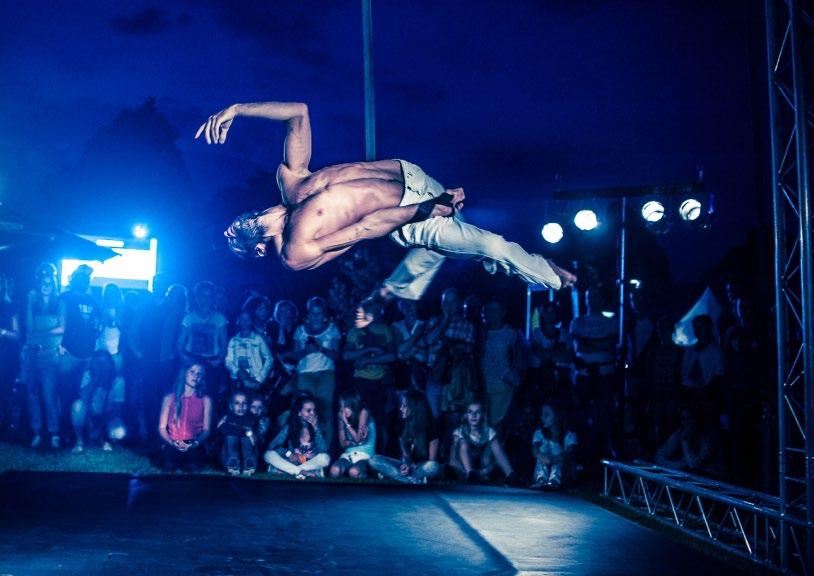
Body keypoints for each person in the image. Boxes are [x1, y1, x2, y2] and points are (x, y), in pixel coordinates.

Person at [196, 102, 576, 302]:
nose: (229, 228)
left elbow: (298, 113)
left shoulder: (291, 182)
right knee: (492, 245)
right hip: (412, 220)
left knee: (487, 251)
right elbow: (365, 229)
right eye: (232, 239)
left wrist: (236, 110)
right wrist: (427, 208)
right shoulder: (296, 249)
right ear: (258, 250)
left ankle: (509, 265)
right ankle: (553, 279)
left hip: (412, 175)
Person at [23, 263, 66, 448]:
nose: (46, 285)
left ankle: (54, 432)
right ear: (38, 284)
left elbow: (61, 328)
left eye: (50, 282)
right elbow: (29, 327)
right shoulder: (34, 304)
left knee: (49, 395)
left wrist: (39, 336)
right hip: (33, 356)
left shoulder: (60, 304)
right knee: (32, 394)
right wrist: (29, 304)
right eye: (43, 282)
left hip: (51, 357)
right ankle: (37, 431)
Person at [291, 297, 340, 447]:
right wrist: (306, 351)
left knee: (325, 411)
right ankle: (304, 448)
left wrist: (321, 348)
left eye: (319, 313)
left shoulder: (332, 329)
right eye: (312, 313)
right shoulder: (300, 330)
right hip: (305, 375)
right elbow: (295, 356)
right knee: (304, 411)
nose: (315, 316)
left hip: (325, 374)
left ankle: (325, 450)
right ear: (308, 314)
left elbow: (337, 356)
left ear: (324, 313)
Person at [368, 390, 441, 484]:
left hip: (422, 466)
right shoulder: (402, 425)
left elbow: (432, 460)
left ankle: (400, 478)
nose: (401, 409)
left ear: (415, 408)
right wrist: (407, 466)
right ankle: (411, 480)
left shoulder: (431, 426)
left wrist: (412, 468)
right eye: (401, 405)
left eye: (405, 406)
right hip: (409, 467)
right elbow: (406, 457)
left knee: (433, 466)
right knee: (374, 460)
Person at [156, 360, 213, 472]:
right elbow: (162, 428)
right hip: (173, 442)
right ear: (184, 373)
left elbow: (206, 430)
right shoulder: (169, 398)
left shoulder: (205, 400)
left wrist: (194, 443)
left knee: (193, 468)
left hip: (193, 443)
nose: (196, 376)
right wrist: (171, 442)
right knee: (168, 466)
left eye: (199, 374)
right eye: (192, 371)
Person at [448, 401, 516, 485]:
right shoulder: (459, 432)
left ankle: (510, 475)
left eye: (478, 412)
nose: (474, 415)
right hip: (464, 469)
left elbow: (497, 458)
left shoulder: (489, 431)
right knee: (463, 443)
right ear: (465, 415)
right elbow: (452, 461)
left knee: (495, 444)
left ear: (483, 415)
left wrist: (483, 472)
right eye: (470, 412)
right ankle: (470, 475)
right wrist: (466, 472)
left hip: (483, 468)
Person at [264, 393, 330, 478]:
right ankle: (301, 472)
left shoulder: (320, 426)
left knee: (325, 458)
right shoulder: (290, 426)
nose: (312, 413)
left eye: (314, 410)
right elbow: (272, 445)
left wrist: (316, 429)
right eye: (308, 410)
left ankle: (288, 471)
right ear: (299, 413)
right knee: (268, 454)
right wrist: (289, 454)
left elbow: (324, 450)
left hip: (310, 463)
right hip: (293, 461)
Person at [330, 389, 376, 479]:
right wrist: (353, 443)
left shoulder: (364, 411)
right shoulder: (341, 415)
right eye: (341, 406)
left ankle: (368, 475)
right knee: (334, 470)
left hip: (365, 455)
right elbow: (342, 444)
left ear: (353, 404)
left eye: (346, 406)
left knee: (354, 471)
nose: (342, 410)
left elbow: (357, 439)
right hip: (348, 455)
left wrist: (345, 422)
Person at [224, 310, 273, 393]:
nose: (245, 322)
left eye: (247, 319)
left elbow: (269, 359)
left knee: (254, 404)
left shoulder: (258, 339)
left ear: (251, 321)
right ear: (238, 321)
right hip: (237, 379)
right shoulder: (233, 340)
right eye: (242, 319)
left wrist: (260, 379)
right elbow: (228, 361)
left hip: (254, 378)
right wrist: (238, 371)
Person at [531, 403, 578, 489]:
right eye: (542, 414)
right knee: (543, 448)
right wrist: (542, 457)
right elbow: (535, 449)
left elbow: (570, 453)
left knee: (557, 449)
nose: (542, 418)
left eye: (546, 414)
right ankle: (541, 479)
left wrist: (553, 459)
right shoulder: (539, 433)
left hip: (563, 472)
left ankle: (554, 480)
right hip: (544, 465)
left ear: (557, 416)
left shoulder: (569, 435)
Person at [217, 391, 258, 476]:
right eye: (237, 403)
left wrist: (246, 431)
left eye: (244, 403)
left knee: (245, 436)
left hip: (249, 454)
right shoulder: (228, 417)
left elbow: (250, 425)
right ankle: (233, 461)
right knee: (232, 435)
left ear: (248, 406)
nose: (241, 406)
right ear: (231, 407)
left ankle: (248, 463)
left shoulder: (252, 418)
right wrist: (246, 432)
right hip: (229, 455)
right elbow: (222, 428)